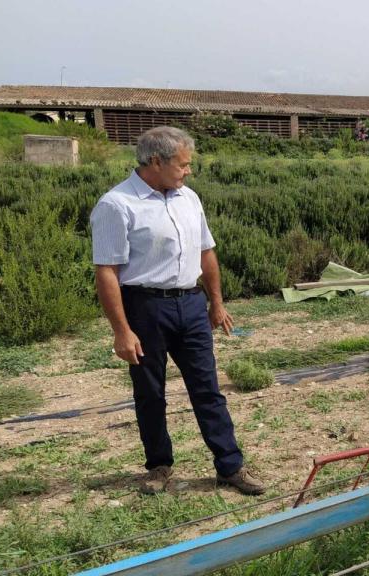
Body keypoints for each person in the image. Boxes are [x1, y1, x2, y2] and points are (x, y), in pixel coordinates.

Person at [90, 126, 264, 496]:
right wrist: (122, 330)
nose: (187, 172)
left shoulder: (189, 198)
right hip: (145, 308)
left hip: (191, 304)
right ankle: (159, 467)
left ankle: (230, 467)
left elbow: (206, 252)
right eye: (182, 165)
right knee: (150, 393)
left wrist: (216, 303)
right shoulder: (117, 204)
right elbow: (107, 271)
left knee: (208, 389)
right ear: (156, 161)